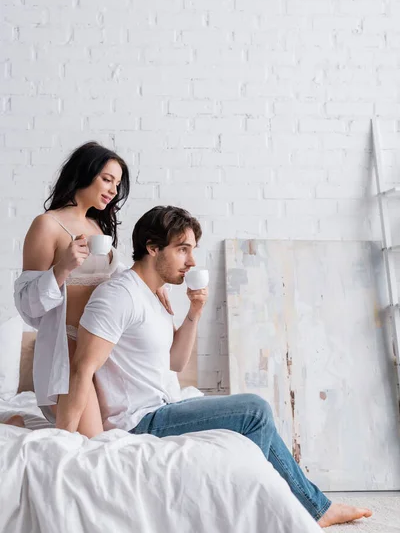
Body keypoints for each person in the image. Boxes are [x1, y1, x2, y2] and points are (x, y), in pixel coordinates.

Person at [56, 205, 372, 528]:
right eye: (182, 250)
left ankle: (309, 506)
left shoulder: (153, 296)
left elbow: (175, 362)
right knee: (255, 410)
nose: (192, 261)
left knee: (252, 415)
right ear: (152, 248)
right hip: (139, 421)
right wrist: (69, 441)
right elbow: (81, 368)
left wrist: (194, 311)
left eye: (192, 251)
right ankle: (277, 510)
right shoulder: (119, 295)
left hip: (165, 405)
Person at [11, 142, 170, 435]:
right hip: (68, 351)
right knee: (93, 442)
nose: (113, 190)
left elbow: (118, 278)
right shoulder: (46, 226)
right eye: (107, 179)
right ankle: (15, 423)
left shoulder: (99, 228)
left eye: (117, 184)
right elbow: (27, 306)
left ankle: (25, 424)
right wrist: (62, 268)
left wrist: (153, 287)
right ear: (84, 172)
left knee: (111, 435)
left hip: (103, 350)